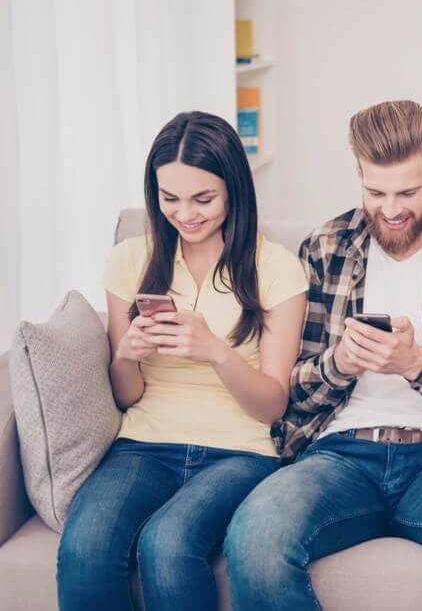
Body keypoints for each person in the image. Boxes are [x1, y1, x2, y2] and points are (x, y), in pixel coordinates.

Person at [224, 100, 422, 610]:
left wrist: (417, 365)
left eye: (407, 192)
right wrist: (340, 363)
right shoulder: (324, 248)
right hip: (341, 454)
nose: (390, 209)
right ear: (358, 175)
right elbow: (291, 393)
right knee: (255, 535)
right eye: (375, 192)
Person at [57, 111, 308, 610]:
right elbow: (128, 394)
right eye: (169, 199)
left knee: (167, 544)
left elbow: (272, 405)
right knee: (86, 548)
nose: (186, 214)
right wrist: (126, 354)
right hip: (143, 444)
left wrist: (215, 351)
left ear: (234, 189)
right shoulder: (130, 259)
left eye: (203, 198)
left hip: (240, 452)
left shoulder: (277, 268)